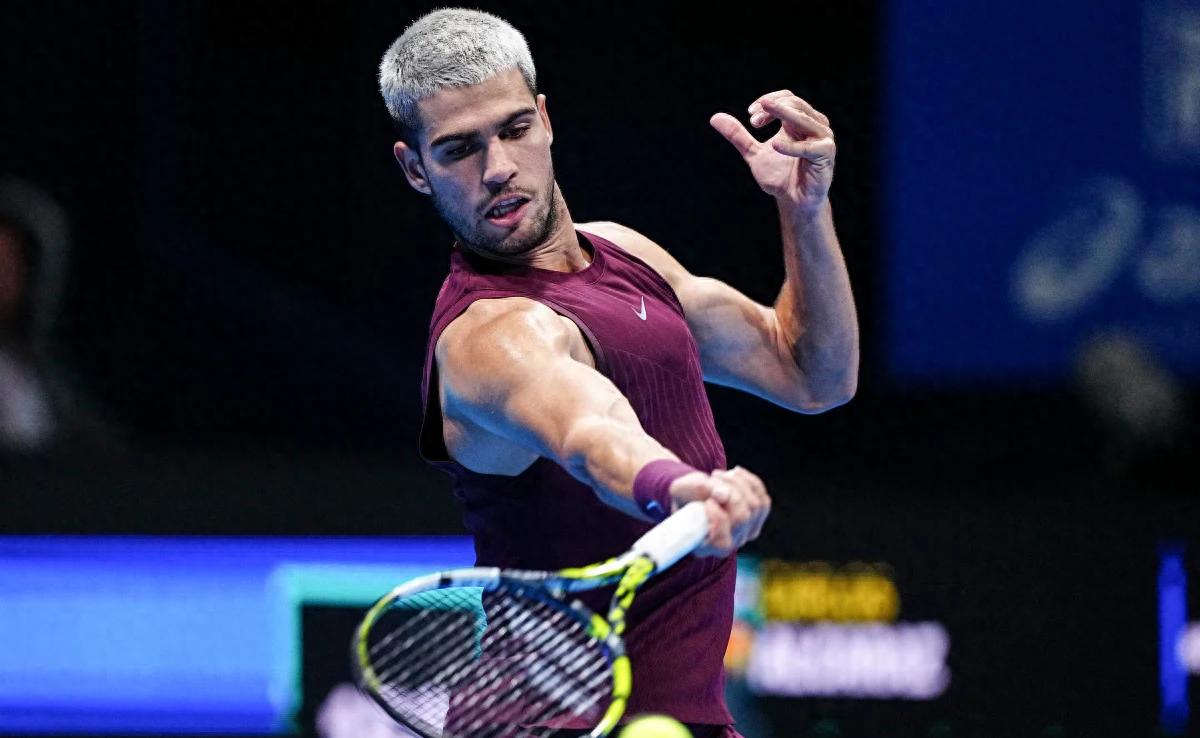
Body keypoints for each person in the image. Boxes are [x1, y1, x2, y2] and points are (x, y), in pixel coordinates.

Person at [378, 8, 859, 737]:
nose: (498, 168)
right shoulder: (488, 338)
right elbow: (589, 430)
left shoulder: (624, 256)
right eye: (458, 150)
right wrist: (682, 488)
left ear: (545, 119)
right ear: (416, 169)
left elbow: (812, 372)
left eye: (513, 129)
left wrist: (804, 210)